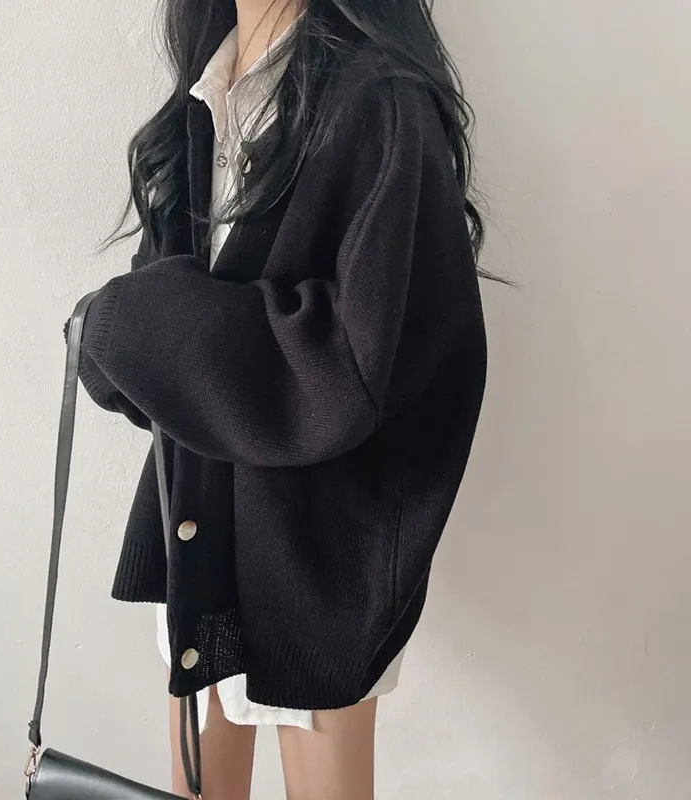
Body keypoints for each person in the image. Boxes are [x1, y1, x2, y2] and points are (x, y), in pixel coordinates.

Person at [68, 1, 488, 797]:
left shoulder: (379, 100)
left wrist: (130, 328)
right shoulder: (206, 92)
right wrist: (123, 347)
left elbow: (356, 362)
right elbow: (169, 315)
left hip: (320, 563)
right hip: (199, 530)